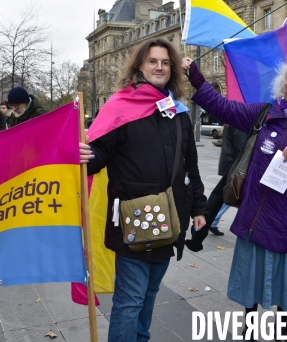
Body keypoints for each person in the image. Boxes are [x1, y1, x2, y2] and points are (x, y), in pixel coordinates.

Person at [184, 57, 287, 339]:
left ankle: (282, 332)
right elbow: (223, 107)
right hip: (255, 214)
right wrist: (196, 78)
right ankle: (250, 332)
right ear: (282, 86)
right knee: (250, 288)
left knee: (283, 291)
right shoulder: (264, 114)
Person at [79, 38, 207, 342]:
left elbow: (191, 164)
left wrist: (200, 207)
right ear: (140, 65)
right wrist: (85, 156)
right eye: (153, 61)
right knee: (131, 299)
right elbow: (99, 152)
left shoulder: (179, 112)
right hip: (133, 218)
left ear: (172, 68)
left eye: (165, 62)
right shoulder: (121, 106)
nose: (159, 67)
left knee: (150, 294)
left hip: (171, 217)